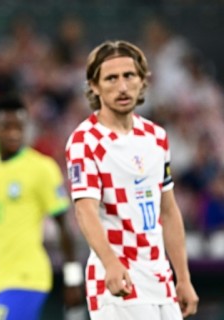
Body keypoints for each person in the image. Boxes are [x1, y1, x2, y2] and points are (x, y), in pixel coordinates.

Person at [65, 40, 199, 319]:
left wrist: (183, 277)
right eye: (111, 78)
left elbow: (168, 210)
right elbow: (85, 209)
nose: (122, 86)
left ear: (142, 80)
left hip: (160, 277)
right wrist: (111, 264)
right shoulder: (85, 141)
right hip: (119, 280)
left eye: (129, 76)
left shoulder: (156, 137)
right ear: (94, 86)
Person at [0, 94, 83, 320]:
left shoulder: (41, 168)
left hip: (29, 277)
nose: (14, 132)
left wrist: (73, 278)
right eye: (6, 126)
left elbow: (63, 225)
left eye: (19, 126)